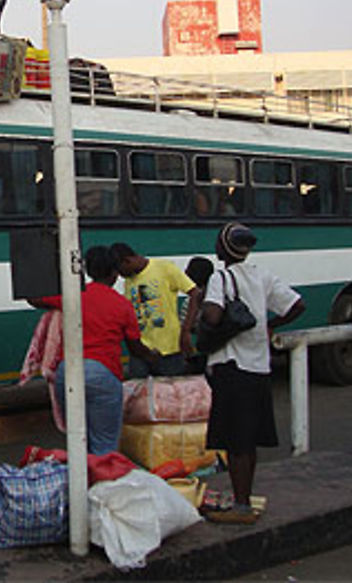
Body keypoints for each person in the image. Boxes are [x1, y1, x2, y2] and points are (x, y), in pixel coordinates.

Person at [202, 223, 305, 524]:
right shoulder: (263, 276)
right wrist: (270, 324)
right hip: (259, 366)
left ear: (222, 249)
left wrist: (204, 306)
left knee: (235, 442)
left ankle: (242, 505)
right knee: (247, 439)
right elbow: (297, 305)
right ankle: (243, 498)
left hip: (232, 366)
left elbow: (213, 315)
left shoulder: (220, 277)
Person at [29, 245, 159, 454]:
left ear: (87, 271)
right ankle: (99, 484)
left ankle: (82, 481)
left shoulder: (72, 296)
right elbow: (135, 347)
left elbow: (34, 299)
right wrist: (152, 355)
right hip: (103, 374)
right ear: (115, 273)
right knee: (104, 444)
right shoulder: (122, 305)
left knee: (77, 440)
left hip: (67, 373)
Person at [110, 242, 202, 378]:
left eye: (121, 271)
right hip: (141, 353)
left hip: (169, 351)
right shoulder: (129, 282)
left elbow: (195, 293)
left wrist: (186, 330)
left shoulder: (165, 268)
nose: (120, 276)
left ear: (127, 261)